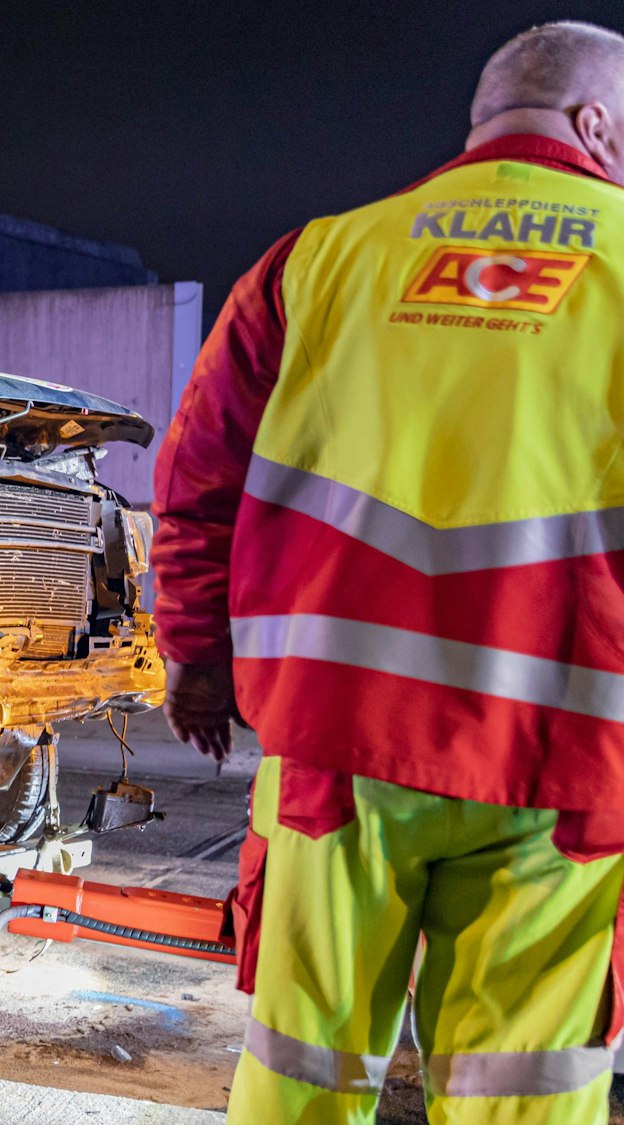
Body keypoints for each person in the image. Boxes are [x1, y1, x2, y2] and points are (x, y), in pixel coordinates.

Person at [152, 20, 624, 1124]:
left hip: (332, 750)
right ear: (594, 124)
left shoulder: (315, 260)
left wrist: (195, 662)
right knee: (525, 1090)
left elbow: (196, 483)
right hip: (567, 763)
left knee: (300, 1067)